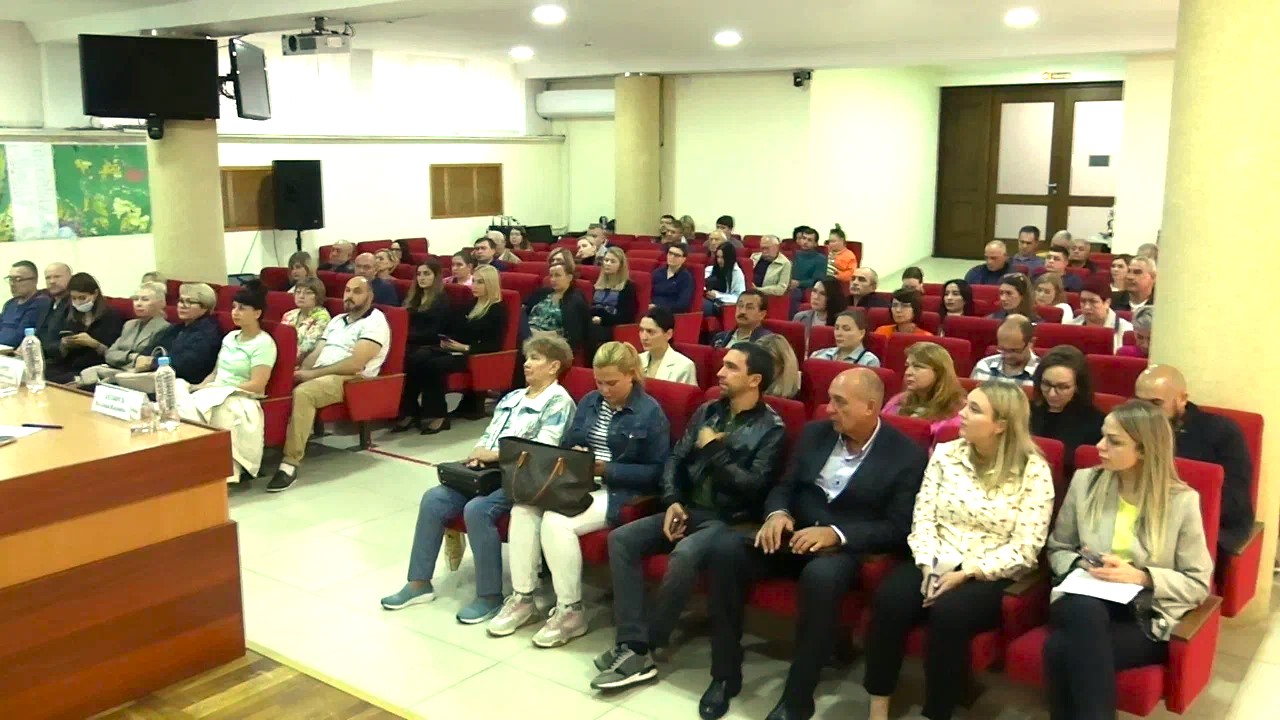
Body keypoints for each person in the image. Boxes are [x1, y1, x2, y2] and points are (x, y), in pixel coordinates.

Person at [704, 369, 929, 719]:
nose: (829, 409)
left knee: (821, 577)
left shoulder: (906, 455)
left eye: (840, 402)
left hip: (844, 549)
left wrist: (837, 534)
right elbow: (784, 486)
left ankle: (798, 696)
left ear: (871, 407)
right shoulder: (815, 434)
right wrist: (777, 513)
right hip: (792, 534)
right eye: (829, 399)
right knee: (725, 550)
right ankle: (724, 674)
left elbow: (898, 528)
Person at [590, 343, 786, 694]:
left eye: (732, 367)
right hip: (688, 508)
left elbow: (754, 487)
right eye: (722, 364)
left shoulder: (772, 428)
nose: (720, 372)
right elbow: (675, 459)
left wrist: (713, 450)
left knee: (684, 555)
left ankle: (646, 648)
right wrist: (672, 501)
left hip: (729, 520)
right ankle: (631, 641)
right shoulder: (708, 410)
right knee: (621, 539)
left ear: (755, 379)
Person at [864, 381, 1055, 720]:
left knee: (949, 614)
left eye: (974, 410)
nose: (962, 414)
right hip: (937, 555)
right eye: (966, 405)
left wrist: (966, 573)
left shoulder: (1033, 471)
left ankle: (936, 711)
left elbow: (1026, 548)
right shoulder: (946, 454)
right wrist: (928, 565)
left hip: (988, 570)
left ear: (1001, 425)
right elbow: (923, 516)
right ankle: (879, 703)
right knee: (891, 599)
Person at [380, 336, 576, 623]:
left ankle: (489, 595)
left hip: (523, 479)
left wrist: (493, 456)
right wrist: (476, 454)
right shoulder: (512, 397)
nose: (527, 364)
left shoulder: (559, 401)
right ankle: (419, 583)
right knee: (434, 499)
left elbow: (543, 451)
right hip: (487, 472)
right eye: (527, 358)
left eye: (536, 358)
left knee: (478, 509)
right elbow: (489, 435)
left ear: (554, 366)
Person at [491, 343, 670, 647]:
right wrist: (574, 454)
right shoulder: (589, 402)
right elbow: (569, 442)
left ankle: (571, 611)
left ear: (631, 375)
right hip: (577, 481)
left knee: (556, 522)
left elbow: (657, 472)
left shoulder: (649, 412)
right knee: (523, 508)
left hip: (618, 491)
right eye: (599, 382)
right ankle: (523, 598)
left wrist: (606, 469)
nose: (605, 390)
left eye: (612, 383)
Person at [1043, 401, 1212, 720]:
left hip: (1144, 612)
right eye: (1102, 436)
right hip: (1085, 597)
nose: (1099, 446)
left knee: (1061, 650)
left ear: (1144, 450)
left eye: (1114, 441)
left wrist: (1141, 576)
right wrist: (1082, 565)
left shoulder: (1181, 502)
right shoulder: (1085, 482)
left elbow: (1197, 583)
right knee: (1084, 611)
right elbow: (1058, 547)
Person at [269, 277, 391, 492]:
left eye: (357, 292)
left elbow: (355, 364)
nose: (349, 296)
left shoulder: (375, 322)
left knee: (305, 393)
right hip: (323, 372)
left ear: (370, 296)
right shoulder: (337, 320)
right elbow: (317, 353)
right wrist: (298, 372)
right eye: (347, 290)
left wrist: (311, 375)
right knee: (278, 383)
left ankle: (290, 462)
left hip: (352, 378)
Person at [1135, 365, 1254, 557]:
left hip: (1204, 524)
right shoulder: (1132, 428)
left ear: (1182, 399)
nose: (1146, 413)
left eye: (1156, 403)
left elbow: (1234, 500)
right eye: (1139, 404)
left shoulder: (1221, 432)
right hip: (1142, 517)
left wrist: (1174, 515)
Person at [176, 281, 278, 483]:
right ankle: (191, 461)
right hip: (216, 390)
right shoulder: (230, 337)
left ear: (257, 313)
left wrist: (222, 389)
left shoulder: (264, 343)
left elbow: (257, 385)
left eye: (242, 308)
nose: (235, 312)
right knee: (178, 386)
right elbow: (215, 373)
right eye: (233, 307)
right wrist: (200, 387)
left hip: (241, 395)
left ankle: (219, 469)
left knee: (216, 409)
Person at [401, 266, 507, 434]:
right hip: (455, 348)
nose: (475, 286)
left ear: (490, 284)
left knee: (434, 365)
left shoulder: (497, 310)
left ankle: (438, 415)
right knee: (416, 358)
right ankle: (411, 410)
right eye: (474, 281)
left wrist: (464, 347)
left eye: (480, 282)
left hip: (474, 355)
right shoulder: (470, 305)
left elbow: (493, 345)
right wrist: (447, 340)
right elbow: (456, 329)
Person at [392, 259, 452, 432]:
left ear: (436, 276)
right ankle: (410, 411)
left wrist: (406, 337)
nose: (422, 278)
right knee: (403, 358)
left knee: (418, 360)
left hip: (434, 345)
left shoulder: (441, 300)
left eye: (427, 274)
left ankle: (435, 414)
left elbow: (435, 331)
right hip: (413, 344)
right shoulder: (413, 298)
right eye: (419, 274)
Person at [75, 282, 170, 387]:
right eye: (136, 299)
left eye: (145, 299)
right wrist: (133, 357)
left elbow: (146, 362)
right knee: (87, 374)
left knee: (92, 383)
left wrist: (122, 359)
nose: (138, 304)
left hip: (138, 376)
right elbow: (109, 354)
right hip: (118, 370)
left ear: (161, 303)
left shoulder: (165, 328)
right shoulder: (129, 325)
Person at [129, 282, 222, 387]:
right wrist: (143, 359)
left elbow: (185, 365)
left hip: (186, 384)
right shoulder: (176, 328)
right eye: (181, 301)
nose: (182, 306)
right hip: (161, 378)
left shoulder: (208, 332)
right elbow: (151, 349)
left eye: (190, 302)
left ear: (205, 307)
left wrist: (153, 362)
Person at [1030, 345, 1105, 473]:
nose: (1052, 394)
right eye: (1046, 384)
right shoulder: (1024, 411)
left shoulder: (1097, 423)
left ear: (1078, 387)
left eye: (1063, 387)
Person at [43, 273, 124, 385]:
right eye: (74, 298)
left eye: (82, 298)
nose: (78, 302)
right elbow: (49, 343)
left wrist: (94, 344)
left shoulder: (110, 315)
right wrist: (63, 345)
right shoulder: (66, 312)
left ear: (95, 294)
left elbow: (115, 353)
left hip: (94, 366)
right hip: (68, 365)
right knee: (46, 372)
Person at [884, 341, 966, 441]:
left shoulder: (957, 412)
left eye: (918, 367)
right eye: (907, 366)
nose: (908, 372)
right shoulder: (898, 401)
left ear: (939, 372)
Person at [524, 262, 590, 360]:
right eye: (551, 276)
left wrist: (542, 335)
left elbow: (573, 335)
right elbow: (525, 311)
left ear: (569, 277)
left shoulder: (576, 300)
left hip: (551, 342)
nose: (553, 279)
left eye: (557, 275)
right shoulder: (542, 293)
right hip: (528, 334)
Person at [588, 247, 638, 352]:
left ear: (620, 265)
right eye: (606, 260)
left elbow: (626, 317)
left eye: (612, 261)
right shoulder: (597, 284)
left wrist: (602, 319)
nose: (608, 264)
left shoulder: (628, 287)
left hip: (612, 326)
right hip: (593, 323)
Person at [1068, 276, 1133, 351]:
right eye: (1083, 301)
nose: (1086, 307)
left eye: (1093, 301)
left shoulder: (1125, 329)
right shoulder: (1070, 326)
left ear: (1107, 303)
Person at [971, 315, 1039, 386]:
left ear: (1031, 342)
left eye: (1014, 350)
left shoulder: (1041, 374)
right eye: (1002, 349)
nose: (1007, 356)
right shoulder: (983, 367)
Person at [638, 306, 697, 385]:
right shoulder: (637, 360)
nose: (644, 337)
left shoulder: (684, 366)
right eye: (641, 330)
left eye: (650, 331)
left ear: (669, 334)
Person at [1, 261, 51, 348]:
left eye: (18, 279)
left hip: (16, 352)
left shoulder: (41, 303)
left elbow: (19, 337)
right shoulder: (10, 304)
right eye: (10, 279)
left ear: (34, 280)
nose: (12, 284)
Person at [282, 277, 332, 363]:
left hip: (305, 363)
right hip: (283, 358)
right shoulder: (289, 315)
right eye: (298, 292)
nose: (301, 296)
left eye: (308, 293)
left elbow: (307, 349)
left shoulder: (322, 317)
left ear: (318, 296)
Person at [792, 277, 848, 355]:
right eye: (814, 291)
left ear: (832, 297)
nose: (816, 297)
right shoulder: (800, 317)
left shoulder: (843, 322)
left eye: (823, 294)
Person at [810, 310, 881, 366]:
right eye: (837, 328)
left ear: (861, 333)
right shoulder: (818, 355)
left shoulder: (869, 361)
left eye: (846, 329)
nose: (839, 333)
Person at [34, 262, 73, 355]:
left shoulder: (75, 304)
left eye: (57, 277)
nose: (52, 281)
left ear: (71, 278)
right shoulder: (45, 304)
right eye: (48, 278)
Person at [789, 227, 826, 314]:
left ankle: (794, 320)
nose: (805, 242)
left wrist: (799, 283)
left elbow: (818, 281)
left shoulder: (820, 259)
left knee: (795, 293)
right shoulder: (794, 255)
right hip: (789, 286)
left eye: (809, 240)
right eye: (804, 238)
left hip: (805, 289)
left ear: (815, 244)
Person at [703, 241, 747, 316]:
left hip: (720, 304)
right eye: (718, 257)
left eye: (723, 257)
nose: (719, 260)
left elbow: (740, 297)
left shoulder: (736, 273)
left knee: (700, 305)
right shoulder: (710, 269)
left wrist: (717, 295)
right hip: (707, 298)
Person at [650, 242, 693, 313]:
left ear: (683, 259)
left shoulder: (686, 277)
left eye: (676, 255)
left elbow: (682, 304)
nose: (672, 257)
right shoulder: (657, 272)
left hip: (669, 312)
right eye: (670, 253)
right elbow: (649, 293)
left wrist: (658, 307)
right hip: (651, 308)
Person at [758, 333, 801, 400]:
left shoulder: (791, 397)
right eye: (757, 361)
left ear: (783, 364)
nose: (761, 368)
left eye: (768, 363)